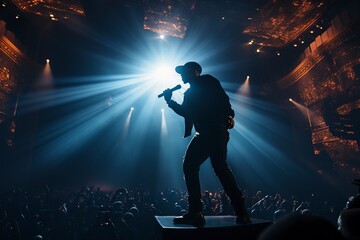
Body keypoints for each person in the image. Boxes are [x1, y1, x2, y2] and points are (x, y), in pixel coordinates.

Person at [162, 61, 250, 226]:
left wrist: (230, 114)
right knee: (216, 167)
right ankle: (239, 211)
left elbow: (223, 100)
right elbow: (186, 112)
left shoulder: (207, 81)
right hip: (210, 132)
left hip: (212, 131)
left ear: (195, 71)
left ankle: (197, 211)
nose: (181, 75)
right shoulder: (190, 92)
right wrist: (170, 100)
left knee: (201, 166)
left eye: (184, 72)